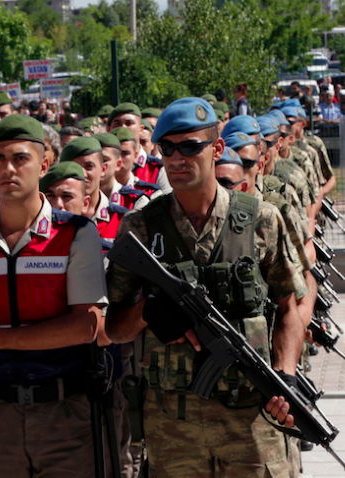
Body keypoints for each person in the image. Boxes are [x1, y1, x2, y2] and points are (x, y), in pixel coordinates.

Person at [105, 97, 301, 477]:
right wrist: (148, 312)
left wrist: (285, 374)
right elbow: (113, 327)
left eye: (190, 147)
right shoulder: (141, 229)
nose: (177, 158)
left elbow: (290, 305)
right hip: (172, 425)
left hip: (250, 420)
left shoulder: (261, 219)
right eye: (168, 148)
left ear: (216, 148)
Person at [0, 114, 110, 478]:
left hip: (65, 412)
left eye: (20, 158)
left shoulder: (76, 233)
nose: (8, 169)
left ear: (44, 163)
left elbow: (87, 325)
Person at [94, 132, 149, 211]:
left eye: (104, 160)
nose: (98, 166)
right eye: (90, 164)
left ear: (118, 164)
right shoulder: (75, 199)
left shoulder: (135, 201)